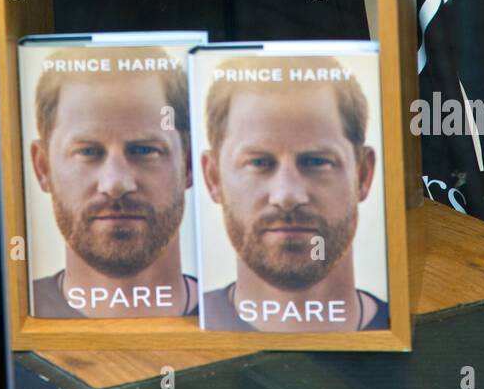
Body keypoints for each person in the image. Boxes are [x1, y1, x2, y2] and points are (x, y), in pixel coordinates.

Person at [200, 57, 388, 331]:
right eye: (259, 163)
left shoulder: (415, 331)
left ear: (363, 174)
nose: (287, 195)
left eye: (316, 162)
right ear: (213, 177)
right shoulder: (181, 327)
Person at [29, 46, 197, 318]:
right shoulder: (15, 311)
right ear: (42, 167)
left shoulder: (222, 318)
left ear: (188, 165)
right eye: (88, 152)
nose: (116, 183)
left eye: (144, 150)